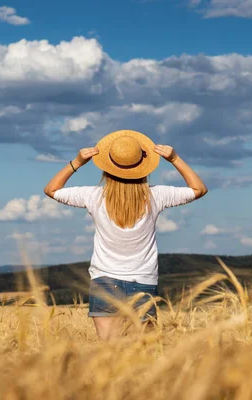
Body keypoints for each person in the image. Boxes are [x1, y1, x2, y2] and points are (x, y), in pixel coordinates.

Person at [44, 130, 207, 340]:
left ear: (107, 168)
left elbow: (52, 190)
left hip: (104, 281)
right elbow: (199, 189)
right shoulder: (157, 196)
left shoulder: (93, 196)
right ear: (143, 168)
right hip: (143, 282)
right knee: (144, 351)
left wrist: (76, 162)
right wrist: (174, 158)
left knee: (109, 353)